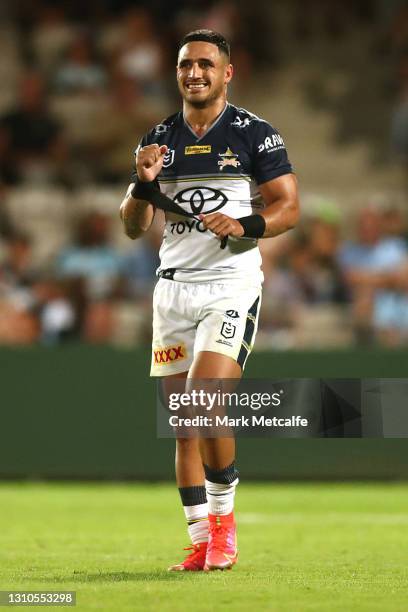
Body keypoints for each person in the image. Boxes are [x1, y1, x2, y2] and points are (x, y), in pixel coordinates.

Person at [120, 30, 299, 571]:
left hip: (230, 283)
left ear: (227, 72)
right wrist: (141, 183)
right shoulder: (158, 139)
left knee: (203, 400)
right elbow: (133, 228)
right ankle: (201, 541)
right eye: (184, 65)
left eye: (204, 64)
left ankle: (225, 525)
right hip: (172, 288)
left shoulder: (254, 135)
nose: (193, 73)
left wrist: (245, 222)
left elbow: (289, 207)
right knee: (183, 421)